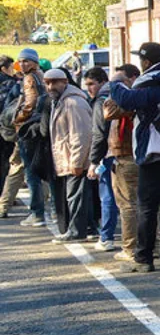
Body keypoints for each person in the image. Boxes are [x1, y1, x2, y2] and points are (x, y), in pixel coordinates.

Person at [107, 42, 160, 272]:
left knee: (147, 206)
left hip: (154, 151)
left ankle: (143, 258)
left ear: (146, 62)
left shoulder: (153, 81)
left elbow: (127, 100)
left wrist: (115, 82)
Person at [44, 69, 93, 243]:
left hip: (75, 159)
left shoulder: (73, 102)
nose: (51, 86)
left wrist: (77, 161)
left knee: (76, 197)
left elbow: (81, 135)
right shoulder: (59, 101)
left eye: (55, 82)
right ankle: (86, 228)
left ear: (65, 82)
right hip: (67, 158)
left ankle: (77, 231)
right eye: (47, 82)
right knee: (76, 196)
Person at [100, 64, 141, 261]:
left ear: (132, 79)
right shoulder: (135, 98)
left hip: (128, 157)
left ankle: (130, 248)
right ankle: (147, 246)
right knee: (140, 204)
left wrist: (115, 87)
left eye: (119, 82)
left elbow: (108, 111)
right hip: (125, 156)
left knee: (128, 205)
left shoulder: (130, 99)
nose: (115, 87)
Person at [12, 48, 50, 228]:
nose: (23, 64)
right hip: (41, 125)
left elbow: (30, 103)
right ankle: (49, 211)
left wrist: (17, 119)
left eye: (26, 61)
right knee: (43, 170)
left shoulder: (29, 78)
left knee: (31, 172)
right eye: (20, 61)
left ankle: (36, 213)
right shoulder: (41, 76)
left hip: (29, 128)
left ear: (35, 62)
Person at [82, 66, 118, 251]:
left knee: (108, 196)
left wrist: (94, 161)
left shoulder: (100, 102)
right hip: (123, 152)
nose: (89, 88)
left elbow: (99, 134)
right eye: (87, 85)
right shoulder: (118, 94)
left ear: (102, 82)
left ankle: (106, 237)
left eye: (92, 84)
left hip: (108, 154)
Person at [0, 55, 19, 217]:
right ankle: (3, 196)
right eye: (11, 67)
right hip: (5, 128)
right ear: (4, 68)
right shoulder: (9, 84)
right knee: (6, 162)